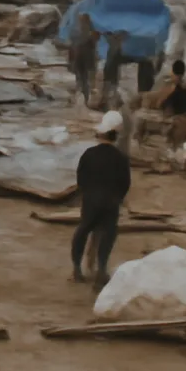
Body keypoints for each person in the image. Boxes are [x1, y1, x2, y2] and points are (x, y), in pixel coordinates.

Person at [71, 110, 131, 290]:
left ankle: (76, 269)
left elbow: (81, 179)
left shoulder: (89, 154)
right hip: (111, 202)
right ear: (116, 135)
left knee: (83, 230)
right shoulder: (121, 158)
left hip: (91, 201)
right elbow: (125, 183)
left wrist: (87, 194)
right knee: (108, 235)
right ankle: (101, 269)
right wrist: (117, 198)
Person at [69, 13, 98, 106]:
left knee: (84, 80)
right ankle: (84, 99)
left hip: (85, 58)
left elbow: (72, 47)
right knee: (83, 79)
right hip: (82, 58)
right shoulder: (89, 32)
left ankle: (85, 99)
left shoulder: (79, 32)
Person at [102, 31, 128, 108]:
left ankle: (109, 104)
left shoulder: (115, 47)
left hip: (112, 72)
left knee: (111, 88)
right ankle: (107, 104)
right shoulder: (114, 46)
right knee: (110, 88)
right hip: (110, 71)